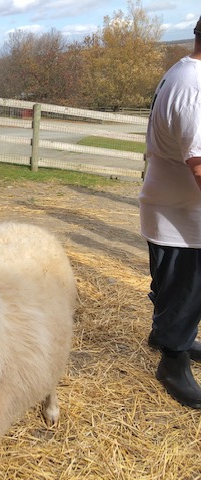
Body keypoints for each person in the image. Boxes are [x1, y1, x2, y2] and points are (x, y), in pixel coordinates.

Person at [139, 16, 201, 409]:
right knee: (188, 289)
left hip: (169, 210)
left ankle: (166, 335)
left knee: (173, 286)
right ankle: (172, 362)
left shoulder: (182, 71)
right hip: (183, 220)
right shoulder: (196, 87)